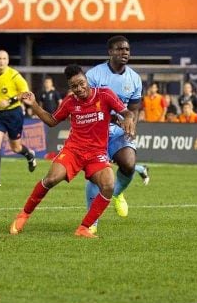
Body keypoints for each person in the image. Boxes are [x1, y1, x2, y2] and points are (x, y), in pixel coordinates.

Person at [9, 64, 135, 238]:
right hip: (73, 150)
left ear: (87, 80)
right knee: (51, 179)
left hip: (96, 153)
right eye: (74, 86)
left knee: (108, 185)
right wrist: (34, 105)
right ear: (70, 87)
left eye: (82, 83)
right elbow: (52, 121)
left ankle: (84, 228)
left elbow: (126, 112)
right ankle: (23, 214)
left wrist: (128, 118)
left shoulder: (105, 95)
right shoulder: (70, 102)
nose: (80, 88)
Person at [84, 35, 142, 231]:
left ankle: (116, 194)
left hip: (118, 132)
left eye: (127, 49)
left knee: (129, 164)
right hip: (95, 131)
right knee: (97, 175)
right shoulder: (94, 75)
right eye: (119, 49)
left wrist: (132, 126)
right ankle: (92, 221)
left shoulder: (134, 78)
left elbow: (134, 108)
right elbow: (86, 106)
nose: (124, 52)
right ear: (110, 52)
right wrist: (113, 118)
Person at [0, 50, 37, 187]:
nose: (1, 61)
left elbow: (26, 93)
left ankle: (29, 155)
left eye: (4, 58)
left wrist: (10, 101)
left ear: (8, 61)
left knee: (16, 148)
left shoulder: (14, 75)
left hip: (14, 114)